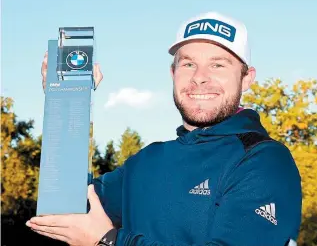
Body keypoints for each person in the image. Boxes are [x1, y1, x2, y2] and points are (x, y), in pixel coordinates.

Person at [26, 12, 302, 246]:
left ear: (246, 79)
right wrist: (67, 104)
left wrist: (108, 239)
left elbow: (96, 235)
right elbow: (64, 212)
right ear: (173, 73)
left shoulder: (263, 160)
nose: (200, 78)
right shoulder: (147, 161)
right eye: (189, 64)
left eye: (218, 65)